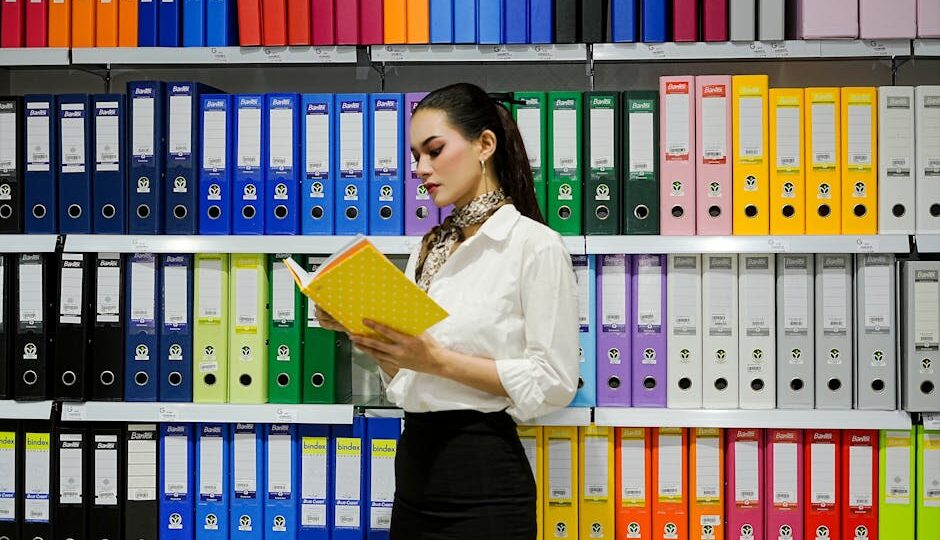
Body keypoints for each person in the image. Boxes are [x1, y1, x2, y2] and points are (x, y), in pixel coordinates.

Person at [316, 82, 579, 540]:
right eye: (416, 155)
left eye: (434, 151)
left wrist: (436, 360)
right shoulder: (428, 248)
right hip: (414, 467)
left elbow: (554, 382)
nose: (421, 168)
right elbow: (409, 381)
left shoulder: (534, 246)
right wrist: (367, 334)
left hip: (482, 475)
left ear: (485, 145)